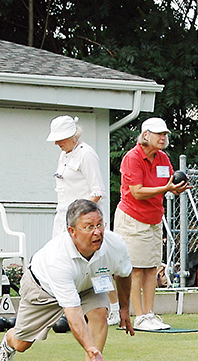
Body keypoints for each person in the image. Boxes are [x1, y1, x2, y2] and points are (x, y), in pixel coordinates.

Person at [0, 199, 134, 361]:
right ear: (72, 231)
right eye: (89, 227)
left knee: (100, 313)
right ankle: (8, 343)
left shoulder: (114, 244)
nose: (98, 232)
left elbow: (124, 274)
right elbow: (72, 313)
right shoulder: (58, 259)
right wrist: (90, 347)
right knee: (22, 343)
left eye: (100, 224)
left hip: (90, 283)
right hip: (43, 289)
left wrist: (124, 309)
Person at [114, 117, 188, 330]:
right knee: (136, 269)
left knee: (152, 269)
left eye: (165, 134)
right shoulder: (132, 158)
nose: (163, 138)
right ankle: (139, 318)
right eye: (159, 134)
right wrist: (166, 189)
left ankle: (149, 314)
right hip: (133, 219)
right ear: (145, 135)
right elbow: (137, 192)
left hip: (154, 218)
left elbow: (167, 185)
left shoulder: (163, 158)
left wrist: (174, 188)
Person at [46, 116, 119, 325]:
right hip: (64, 218)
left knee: (97, 266)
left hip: (84, 221)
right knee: (62, 262)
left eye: (61, 138)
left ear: (72, 135)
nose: (56, 143)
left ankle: (112, 308)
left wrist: (82, 216)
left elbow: (97, 191)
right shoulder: (64, 154)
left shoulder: (87, 154)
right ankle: (68, 310)